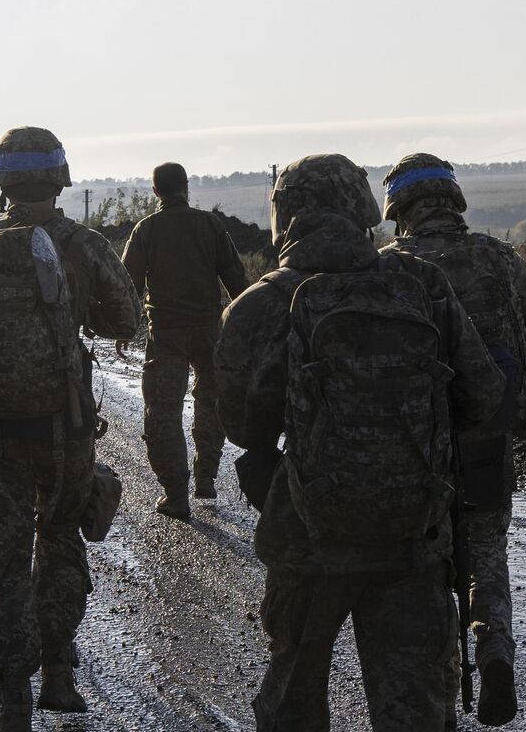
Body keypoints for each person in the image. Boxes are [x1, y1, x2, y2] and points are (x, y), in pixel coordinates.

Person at [214, 153, 503, 732]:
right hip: (412, 537)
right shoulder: (422, 285)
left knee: (295, 695)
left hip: (309, 537)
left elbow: (243, 429)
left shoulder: (260, 304)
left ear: (285, 215)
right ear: (364, 210)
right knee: (415, 706)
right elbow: (486, 396)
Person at [0, 126, 140, 731]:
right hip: (65, 427)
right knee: (59, 543)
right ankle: (59, 676)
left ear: (2, 182)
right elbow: (126, 316)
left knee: (3, 560)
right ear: (59, 177)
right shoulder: (81, 243)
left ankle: (13, 704)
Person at [378, 153, 526, 727]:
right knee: (486, 551)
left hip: (415, 446)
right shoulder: (498, 257)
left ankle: (440, 689)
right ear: (454, 201)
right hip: (488, 433)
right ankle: (494, 646)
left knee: (425, 566)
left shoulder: (388, 268)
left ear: (398, 209)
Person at [117, 161, 249, 519]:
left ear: (155, 191)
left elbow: (127, 285)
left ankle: (176, 494)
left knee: (163, 411)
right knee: (210, 399)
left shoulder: (147, 229)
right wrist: (247, 328)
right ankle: (205, 475)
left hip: (167, 333)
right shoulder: (210, 225)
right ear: (186, 187)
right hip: (210, 328)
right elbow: (236, 279)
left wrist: (124, 328)